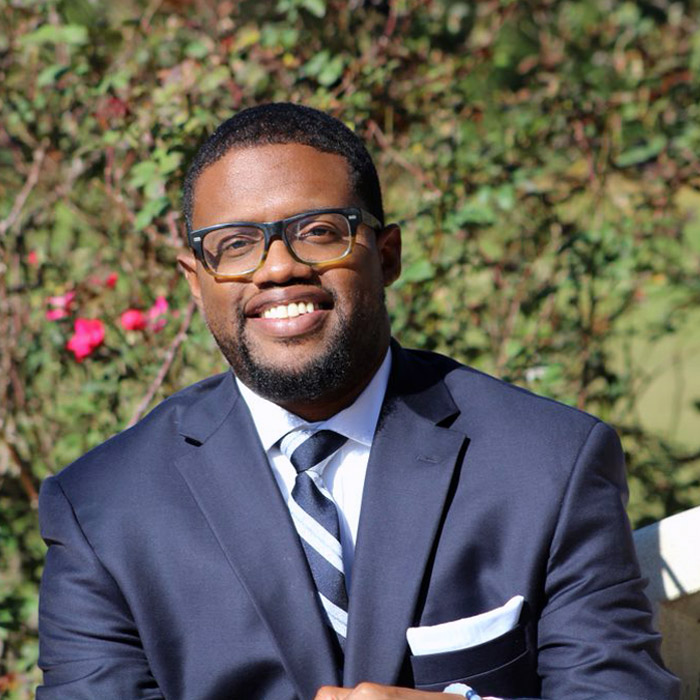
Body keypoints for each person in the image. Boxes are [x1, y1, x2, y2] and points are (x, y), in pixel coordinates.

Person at [37, 103, 679, 700]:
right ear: (195, 280)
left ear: (387, 254)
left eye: (318, 232)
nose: (278, 267)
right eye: (235, 245)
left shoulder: (547, 462)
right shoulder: (105, 509)